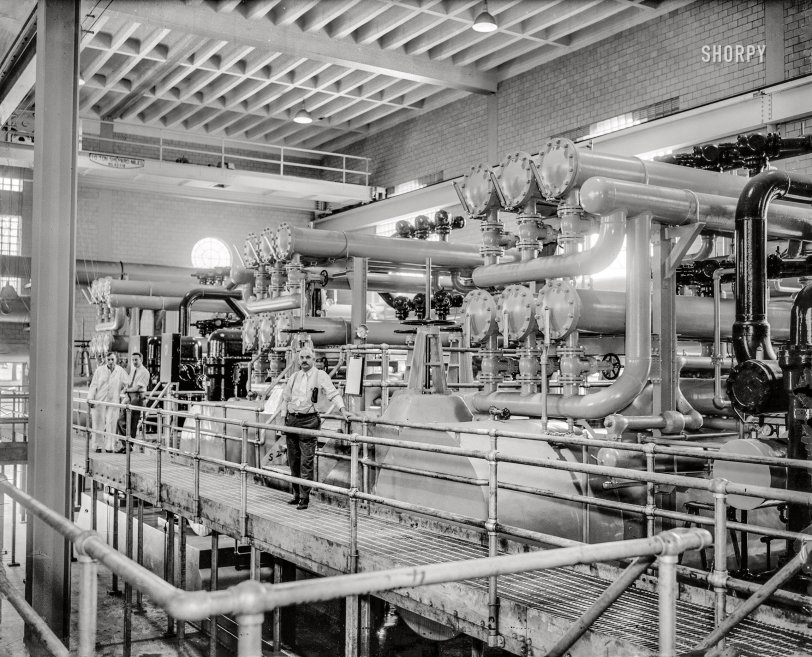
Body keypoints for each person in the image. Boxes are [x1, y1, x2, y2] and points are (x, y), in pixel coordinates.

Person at [281, 347, 350, 509]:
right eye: (302, 358)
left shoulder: (320, 376)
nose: (304, 360)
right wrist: (283, 416)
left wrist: (343, 410)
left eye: (308, 357)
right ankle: (296, 494)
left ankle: (304, 497)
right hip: (292, 420)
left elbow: (333, 393)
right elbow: (285, 398)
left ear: (313, 360)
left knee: (306, 461)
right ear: (298, 360)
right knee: (294, 460)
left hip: (309, 421)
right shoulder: (294, 377)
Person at [87, 352, 128, 453]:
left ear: (116, 360)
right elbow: (93, 385)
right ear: (105, 360)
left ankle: (110, 446)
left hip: (113, 401)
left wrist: (125, 392)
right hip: (99, 400)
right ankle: (98, 446)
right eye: (108, 359)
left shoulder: (120, 370)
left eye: (112, 359)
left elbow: (128, 382)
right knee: (98, 423)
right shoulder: (99, 370)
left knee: (112, 423)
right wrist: (90, 398)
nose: (110, 361)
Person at [117, 352, 150, 441]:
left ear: (141, 360)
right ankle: (125, 445)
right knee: (121, 421)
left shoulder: (144, 372)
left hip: (137, 398)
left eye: (136, 360)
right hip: (130, 397)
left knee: (132, 424)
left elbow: (137, 387)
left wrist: (126, 390)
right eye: (133, 360)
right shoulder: (133, 370)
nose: (134, 362)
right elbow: (129, 383)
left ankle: (128, 446)